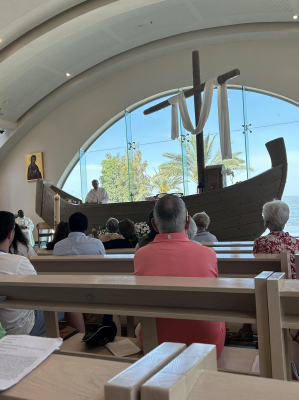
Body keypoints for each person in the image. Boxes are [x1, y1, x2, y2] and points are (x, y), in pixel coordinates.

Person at [134, 194, 225, 357]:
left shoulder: (140, 255)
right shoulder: (208, 254)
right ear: (188, 222)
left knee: (140, 326)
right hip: (208, 347)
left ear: (154, 225)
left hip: (155, 345)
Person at [0, 211, 85, 335]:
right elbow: (40, 293)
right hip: (18, 328)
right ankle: (82, 342)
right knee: (69, 298)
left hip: (3, 323)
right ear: (11, 234)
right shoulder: (19, 263)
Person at [230, 199, 299, 341]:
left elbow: (258, 270)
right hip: (294, 292)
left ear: (267, 221)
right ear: (285, 221)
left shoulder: (260, 242)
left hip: (270, 292)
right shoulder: (296, 242)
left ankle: (246, 329)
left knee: (253, 282)